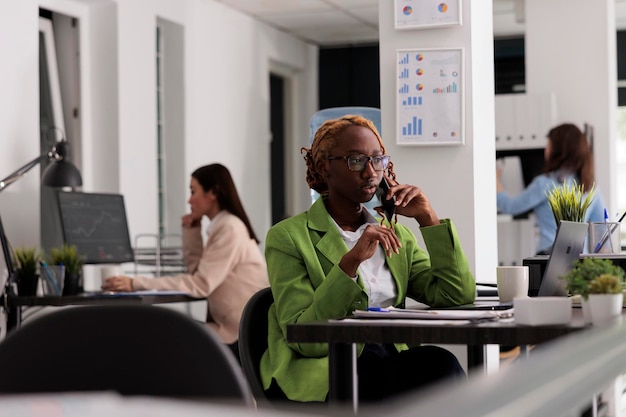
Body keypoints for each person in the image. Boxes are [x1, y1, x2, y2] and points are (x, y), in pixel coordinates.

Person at [259, 115, 476, 403]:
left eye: (378, 160)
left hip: (387, 360)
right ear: (325, 167)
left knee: (439, 363)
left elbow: (455, 295)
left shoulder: (393, 232)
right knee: (438, 369)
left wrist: (428, 219)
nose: (371, 171)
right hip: (327, 372)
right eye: (356, 160)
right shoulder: (288, 237)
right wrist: (350, 264)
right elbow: (304, 340)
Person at [102, 163, 269, 361]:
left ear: (213, 192)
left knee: (163, 333)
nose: (189, 200)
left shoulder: (229, 228)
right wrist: (192, 231)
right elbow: (197, 273)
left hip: (239, 335)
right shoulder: (224, 225)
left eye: (193, 191)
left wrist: (135, 283)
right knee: (164, 331)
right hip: (237, 329)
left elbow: (200, 285)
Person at [496, 123, 605, 255]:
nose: (546, 149)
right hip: (579, 259)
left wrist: (495, 179)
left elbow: (509, 206)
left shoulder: (545, 184)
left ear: (559, 151)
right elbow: (602, 229)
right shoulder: (589, 187)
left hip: (548, 257)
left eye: (549, 144)